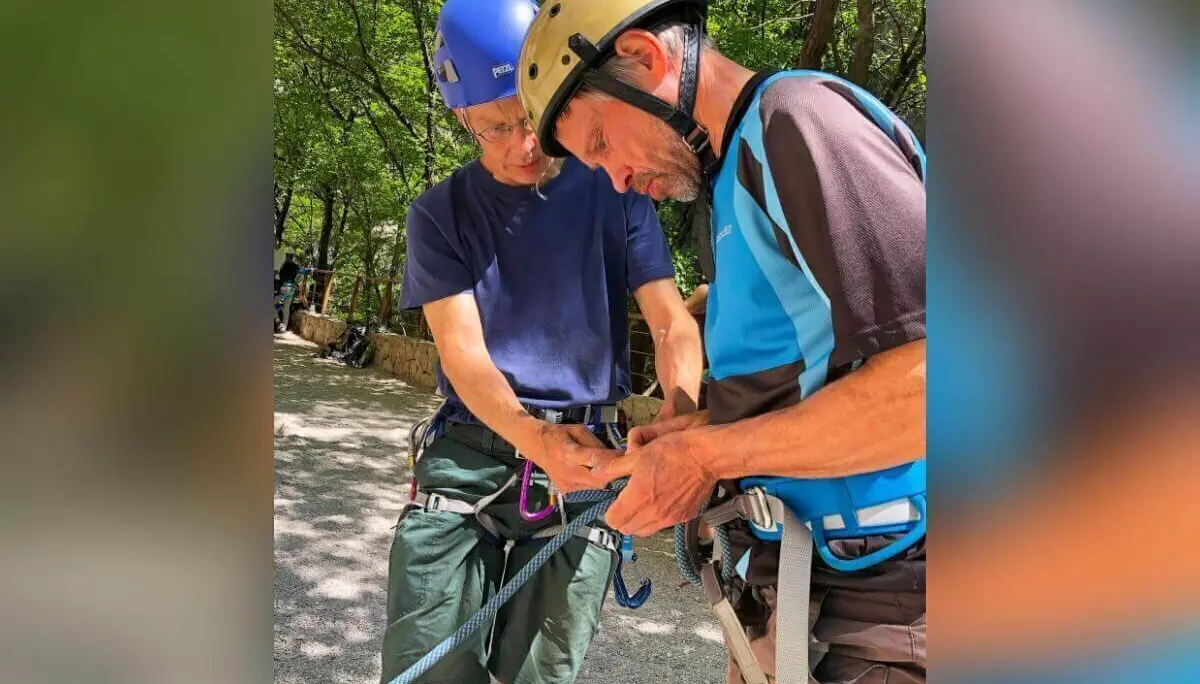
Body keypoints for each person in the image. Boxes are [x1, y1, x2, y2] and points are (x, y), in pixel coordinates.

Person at [517, 2, 926, 683]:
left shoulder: (795, 122)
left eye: (601, 144)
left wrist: (704, 455)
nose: (616, 178)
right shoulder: (734, 173)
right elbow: (819, 384)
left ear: (647, 60)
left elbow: (929, 389)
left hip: (883, 612)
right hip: (798, 599)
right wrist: (687, 441)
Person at [380, 0, 703, 682]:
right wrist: (540, 443)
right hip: (473, 451)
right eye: (496, 127)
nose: (525, 145)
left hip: (588, 457)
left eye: (531, 117)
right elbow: (464, 358)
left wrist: (678, 428)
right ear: (462, 118)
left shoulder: (614, 186)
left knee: (542, 674)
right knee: (430, 667)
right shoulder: (439, 217)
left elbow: (672, 323)